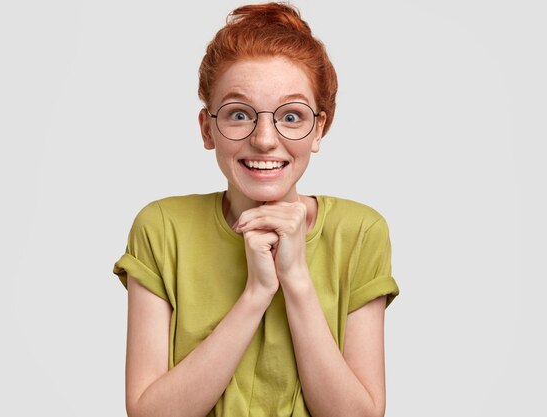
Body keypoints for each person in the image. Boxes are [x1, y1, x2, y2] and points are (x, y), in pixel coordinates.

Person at [112, 3, 400, 416]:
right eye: (239, 114)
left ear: (320, 128)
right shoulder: (161, 228)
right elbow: (150, 413)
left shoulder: (360, 232)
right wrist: (256, 294)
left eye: (291, 116)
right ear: (207, 128)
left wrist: (296, 279)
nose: (265, 139)